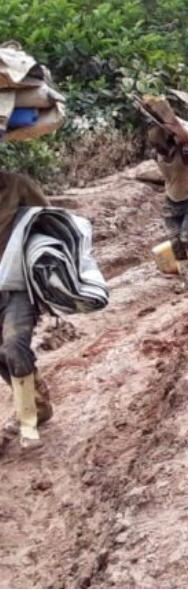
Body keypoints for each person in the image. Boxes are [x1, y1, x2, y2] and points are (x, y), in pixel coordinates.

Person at [143, 96, 188, 293]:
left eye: (158, 141)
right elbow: (167, 177)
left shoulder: (185, 154)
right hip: (171, 204)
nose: (155, 144)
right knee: (175, 242)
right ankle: (186, 279)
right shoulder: (156, 155)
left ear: (168, 140)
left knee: (187, 238)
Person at [0, 172, 52, 450]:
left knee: (13, 346)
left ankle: (27, 421)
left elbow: (52, 222)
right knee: (3, 355)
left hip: (18, 284)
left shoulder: (17, 185)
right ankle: (39, 402)